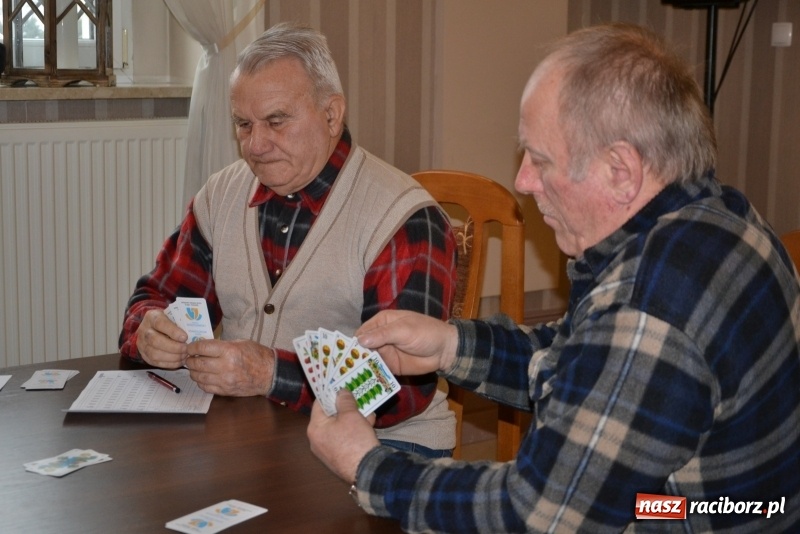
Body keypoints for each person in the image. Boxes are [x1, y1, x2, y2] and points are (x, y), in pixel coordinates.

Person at [307, 22, 800, 532]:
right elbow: (588, 365)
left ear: (621, 170)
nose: (522, 181)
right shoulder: (721, 217)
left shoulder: (648, 307)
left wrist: (370, 468)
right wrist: (449, 346)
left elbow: (539, 515)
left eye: (540, 160)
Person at [119, 22, 458, 458]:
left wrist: (268, 374)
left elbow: (398, 388)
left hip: (383, 448)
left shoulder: (404, 220)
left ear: (332, 114)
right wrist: (148, 329)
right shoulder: (221, 195)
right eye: (243, 124)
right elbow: (157, 296)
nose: (255, 145)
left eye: (276, 121)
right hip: (257, 437)